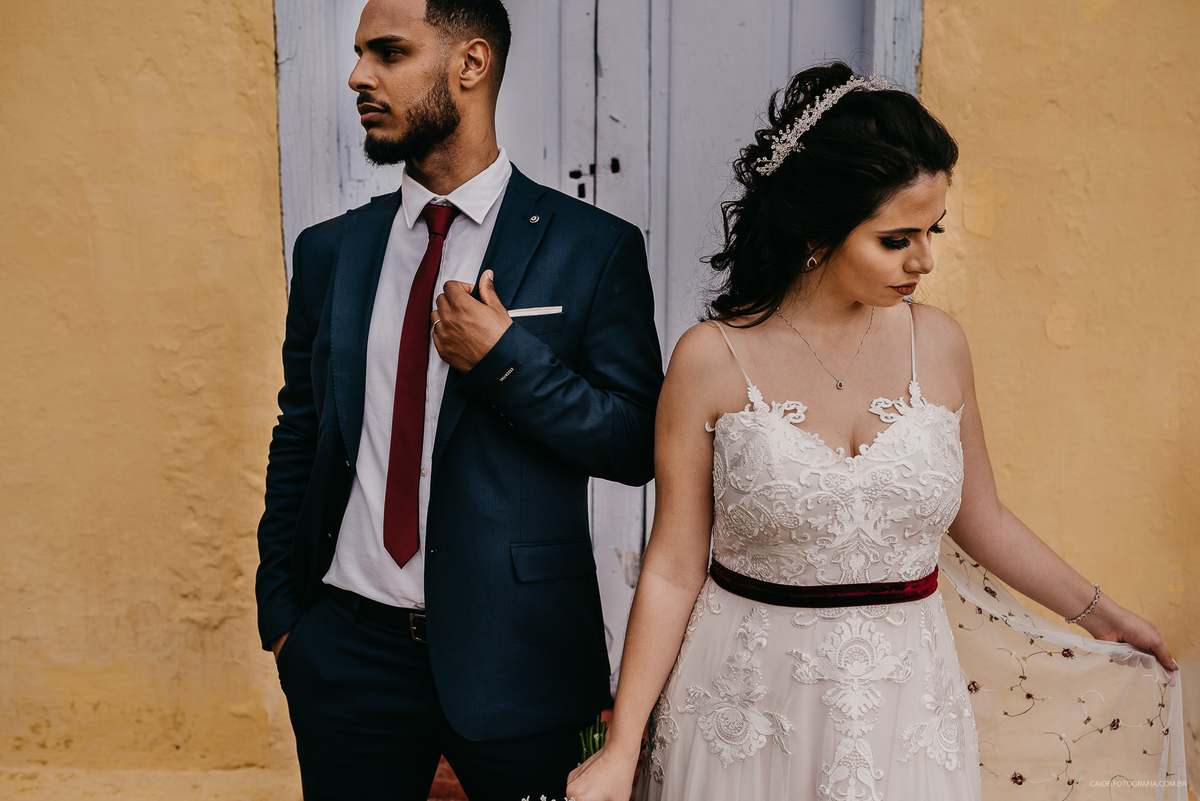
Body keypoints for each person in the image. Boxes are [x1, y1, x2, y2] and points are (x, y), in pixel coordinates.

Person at [565, 63, 1178, 801]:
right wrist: (622, 745)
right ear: (817, 231)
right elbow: (671, 566)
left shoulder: (939, 345)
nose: (925, 259)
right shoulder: (710, 359)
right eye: (896, 239)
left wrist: (1105, 617)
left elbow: (982, 518)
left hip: (907, 710)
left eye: (932, 230)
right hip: (744, 709)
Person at [254, 0, 662, 798]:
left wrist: (506, 361)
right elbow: (299, 431)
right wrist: (285, 619)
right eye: (360, 54)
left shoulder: (592, 247)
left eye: (389, 52)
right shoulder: (331, 250)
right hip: (345, 655)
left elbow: (636, 441)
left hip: (524, 658)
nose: (358, 76)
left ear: (471, 64)